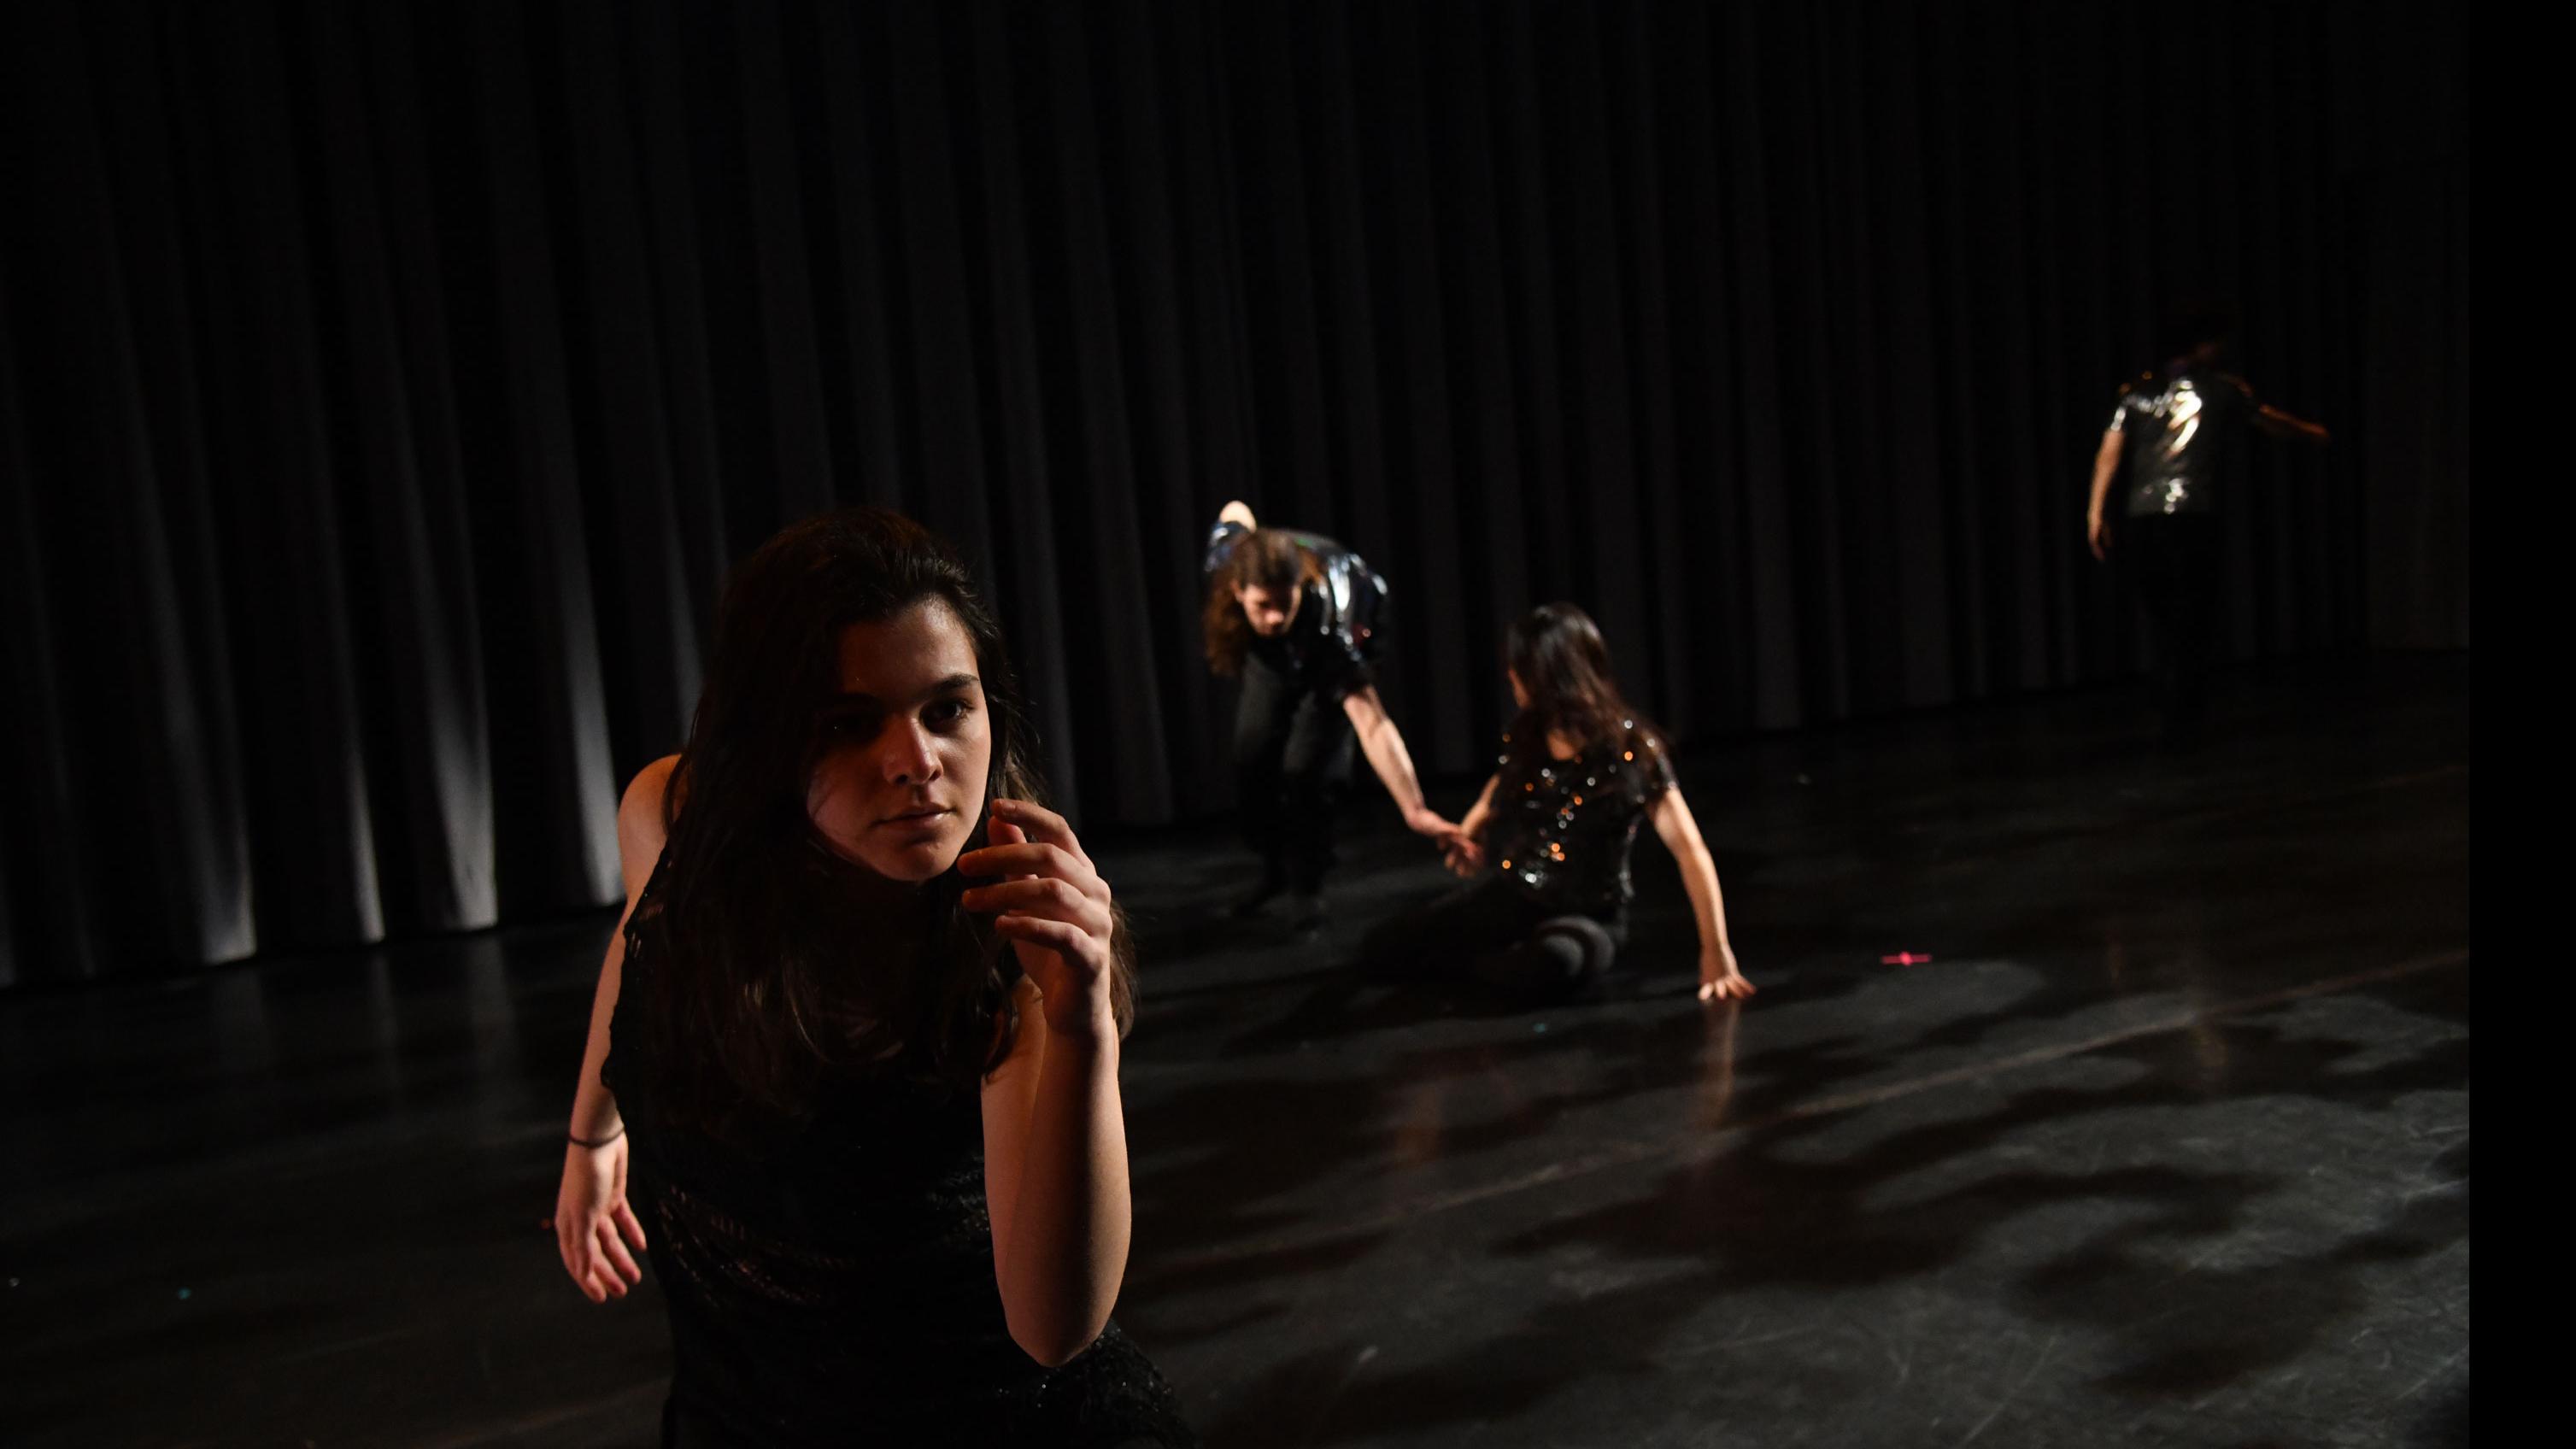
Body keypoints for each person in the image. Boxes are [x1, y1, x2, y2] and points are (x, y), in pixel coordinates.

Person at [551, 507, 1194, 1447]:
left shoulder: (1006, 959)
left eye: (948, 709)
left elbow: (1054, 1332)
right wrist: (590, 1136)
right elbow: (643, 953)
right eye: (851, 724)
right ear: (767, 740)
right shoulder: (675, 816)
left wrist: (1081, 1023)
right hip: (736, 1405)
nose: (915, 763)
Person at [1361, 603, 1752, 1006]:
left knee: (1551, 961)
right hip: (1517, 892)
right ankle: (1485, 959)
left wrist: (1716, 951)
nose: (1510, 677)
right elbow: (1497, 787)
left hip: (1589, 915)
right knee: (1382, 948)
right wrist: (1469, 830)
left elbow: (1690, 851)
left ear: (1546, 677)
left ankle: (1488, 962)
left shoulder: (1630, 751)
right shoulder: (1529, 735)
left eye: (1519, 670)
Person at [1201, 499, 1460, 932]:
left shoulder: (1329, 622)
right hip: (1273, 660)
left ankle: (1307, 887)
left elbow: (1371, 721)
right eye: (1263, 606)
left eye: (1286, 602)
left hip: (1339, 643)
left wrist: (1414, 809)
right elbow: (1235, 509)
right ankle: (1275, 870)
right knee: (1253, 755)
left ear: (1300, 585)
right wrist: (1254, 533)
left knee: (1306, 771)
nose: (1276, 616)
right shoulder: (1229, 558)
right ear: (1237, 591)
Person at [2085, 300, 2330, 745]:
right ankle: (2183, 714)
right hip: (2192, 519)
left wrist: (2096, 511)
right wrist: (2311, 432)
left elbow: (2109, 453)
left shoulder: (2136, 392)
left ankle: (2174, 707)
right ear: (2204, 345)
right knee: (2192, 617)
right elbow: (2270, 421)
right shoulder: (2221, 389)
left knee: (2165, 617)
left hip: (2145, 520)